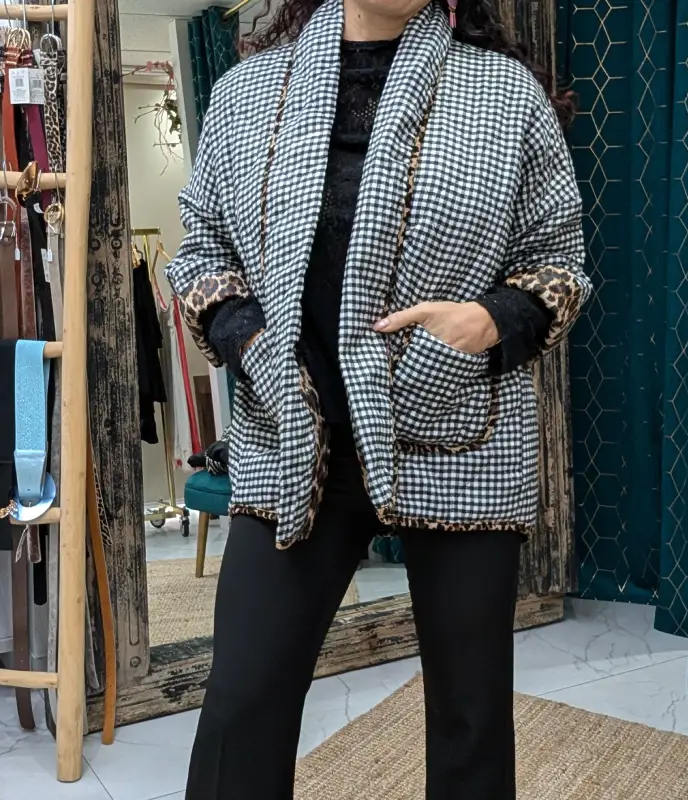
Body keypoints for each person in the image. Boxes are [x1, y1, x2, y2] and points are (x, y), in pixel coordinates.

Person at [166, 0, 590, 796]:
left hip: (456, 434)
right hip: (293, 439)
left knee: (470, 718)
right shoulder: (245, 92)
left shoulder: (504, 94)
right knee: (242, 703)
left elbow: (558, 261)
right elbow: (200, 252)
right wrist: (248, 340)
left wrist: (485, 322)